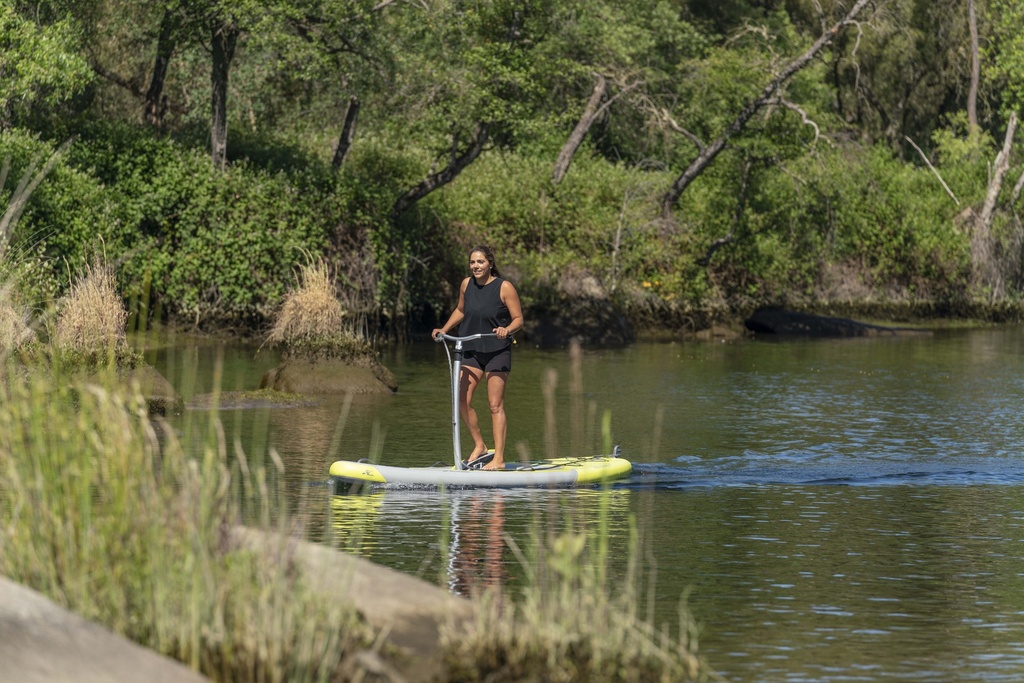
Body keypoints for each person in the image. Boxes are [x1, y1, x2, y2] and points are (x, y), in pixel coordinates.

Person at [432, 246, 523, 470]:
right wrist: (443, 329)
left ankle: (499, 458)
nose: (476, 266)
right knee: (461, 400)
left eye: (480, 262)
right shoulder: (466, 284)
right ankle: (480, 445)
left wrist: (507, 330)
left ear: (490, 263)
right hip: (470, 349)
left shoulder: (504, 287)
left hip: (497, 351)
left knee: (494, 405)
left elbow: (519, 319)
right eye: (472, 262)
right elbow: (461, 310)